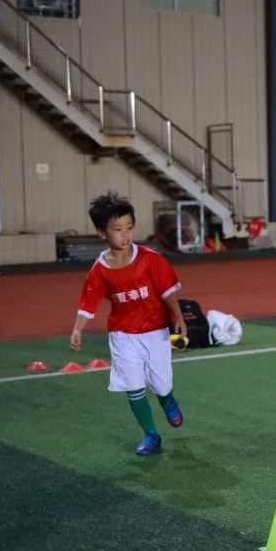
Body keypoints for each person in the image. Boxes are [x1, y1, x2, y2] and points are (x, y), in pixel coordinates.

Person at [70, 191, 188, 456]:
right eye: (118, 229)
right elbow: (88, 302)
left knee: (161, 384)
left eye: (129, 228)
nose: (125, 234)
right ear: (102, 233)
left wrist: (178, 317)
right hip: (123, 335)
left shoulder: (150, 259)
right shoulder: (99, 269)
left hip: (155, 331)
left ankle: (167, 400)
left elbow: (168, 291)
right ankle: (151, 435)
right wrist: (78, 328)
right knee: (133, 385)